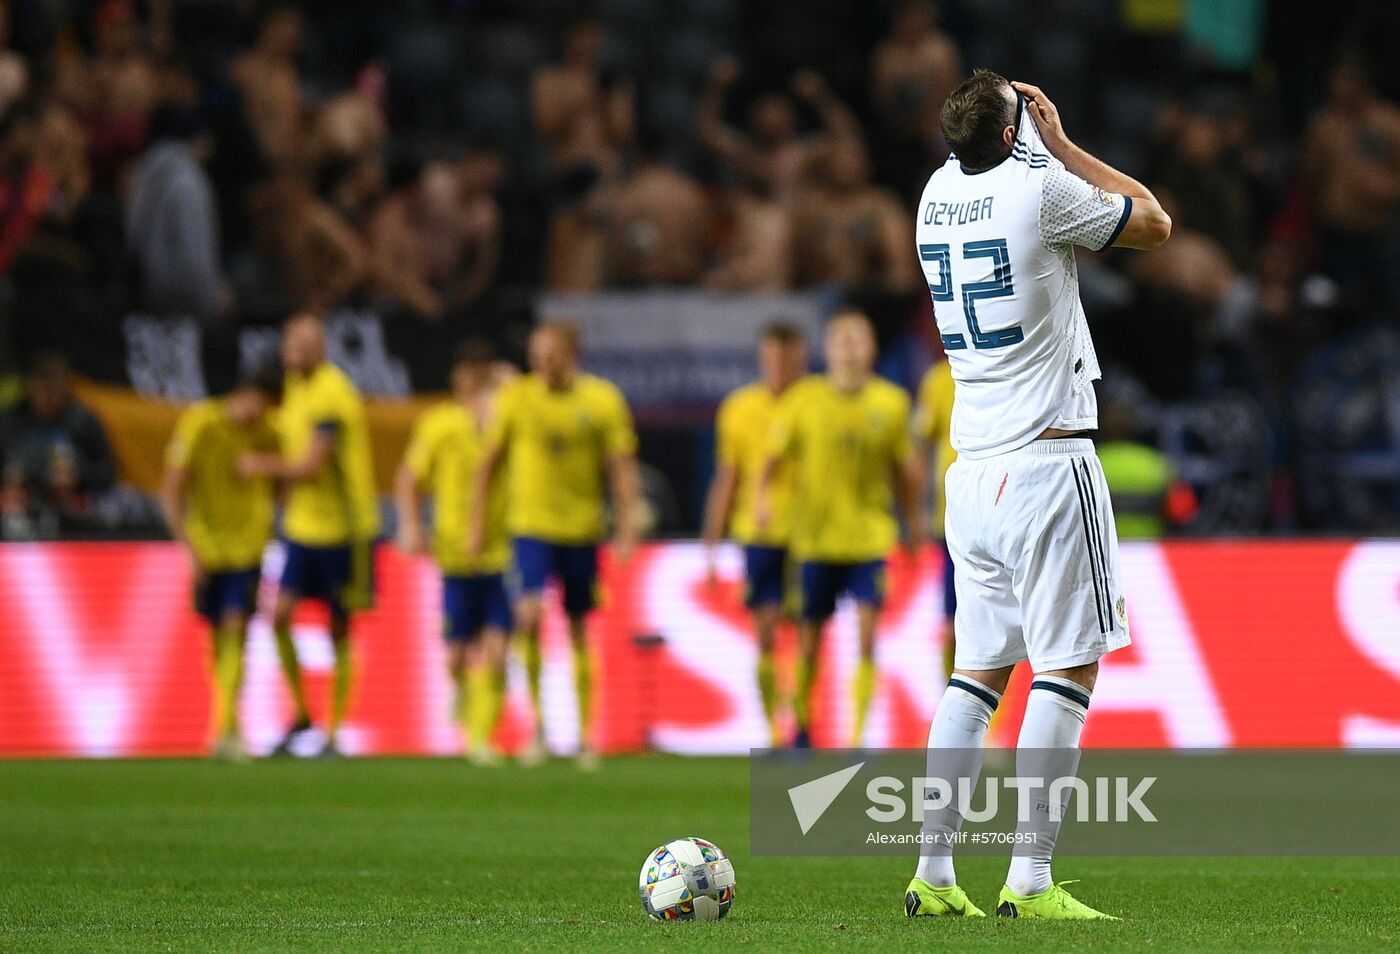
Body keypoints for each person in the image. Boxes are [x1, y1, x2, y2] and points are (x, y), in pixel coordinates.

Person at [904, 71, 1170, 921]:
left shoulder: (932, 196)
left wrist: (1016, 131)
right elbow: (1155, 223)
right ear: (1018, 127)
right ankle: (1029, 880)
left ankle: (934, 875)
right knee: (1067, 668)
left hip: (972, 471)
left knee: (975, 675)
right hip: (1048, 464)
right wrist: (1056, 140)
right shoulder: (1041, 188)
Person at [469, 321, 640, 769]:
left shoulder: (602, 400)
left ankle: (585, 737)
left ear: (572, 353)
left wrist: (627, 528)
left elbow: (620, 469)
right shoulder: (516, 398)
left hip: (582, 531)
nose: (544, 363)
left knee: (581, 627)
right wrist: (475, 525)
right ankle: (539, 730)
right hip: (530, 529)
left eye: (552, 354)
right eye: (537, 355)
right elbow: (487, 465)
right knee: (526, 617)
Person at [756, 311, 922, 749]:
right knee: (809, 639)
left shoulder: (890, 403)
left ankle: (857, 738)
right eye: (840, 340)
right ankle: (803, 731)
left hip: (870, 538)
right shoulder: (803, 399)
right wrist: (760, 501)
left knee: (867, 637)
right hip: (815, 540)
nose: (848, 348)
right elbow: (772, 459)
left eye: (857, 339)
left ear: (871, 350)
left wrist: (914, 522)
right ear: (827, 350)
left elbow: (904, 470)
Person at [239, 312, 381, 757]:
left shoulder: (332, 392)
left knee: (339, 627)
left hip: (345, 529)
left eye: (305, 343)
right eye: (291, 342)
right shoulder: (293, 391)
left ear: (321, 347)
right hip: (302, 529)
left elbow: (311, 465)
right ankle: (301, 713)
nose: (295, 351)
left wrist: (261, 467)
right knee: (277, 616)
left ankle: (334, 733)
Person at [395, 340, 513, 765]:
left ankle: (481, 739)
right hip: (454, 553)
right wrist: (411, 524)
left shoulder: (507, 420)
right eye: (466, 376)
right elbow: (409, 478)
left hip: (503, 552)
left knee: (499, 651)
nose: (471, 385)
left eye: (479, 376)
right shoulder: (439, 424)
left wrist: (510, 385)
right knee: (458, 654)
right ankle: (463, 692)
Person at [159, 367, 281, 760]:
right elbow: (172, 488)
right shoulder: (200, 423)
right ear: (243, 392)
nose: (259, 416)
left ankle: (224, 728)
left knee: (236, 628)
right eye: (258, 406)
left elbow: (283, 484)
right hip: (207, 548)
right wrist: (188, 548)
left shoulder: (267, 433)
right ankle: (227, 727)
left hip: (248, 548)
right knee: (217, 637)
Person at [701, 321, 808, 747]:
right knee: (765, 632)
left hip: (807, 537)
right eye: (773, 357)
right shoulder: (739, 408)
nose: (780, 366)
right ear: (762, 359)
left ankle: (802, 725)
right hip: (758, 535)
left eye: (788, 357)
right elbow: (728, 478)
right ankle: (770, 729)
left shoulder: (816, 402)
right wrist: (712, 541)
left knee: (804, 633)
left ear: (801, 358)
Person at [0, 351, 116, 539]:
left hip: (70, 512)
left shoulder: (83, 421)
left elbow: (108, 474)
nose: (49, 399)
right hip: (16, 511)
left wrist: (77, 476)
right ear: (31, 386)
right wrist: (9, 485)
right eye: (43, 391)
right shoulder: (9, 420)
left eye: (55, 391)